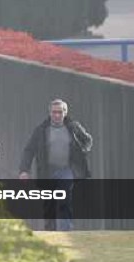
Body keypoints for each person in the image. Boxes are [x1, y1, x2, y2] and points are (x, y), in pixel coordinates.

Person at [19, 99, 93, 231]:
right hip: (47, 171)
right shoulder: (41, 130)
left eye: (60, 112)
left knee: (64, 198)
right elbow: (29, 150)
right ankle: (51, 231)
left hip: (66, 170)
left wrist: (82, 148)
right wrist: (24, 170)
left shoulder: (73, 127)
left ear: (65, 112)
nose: (57, 115)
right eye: (54, 112)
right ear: (50, 113)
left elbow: (87, 141)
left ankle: (66, 229)